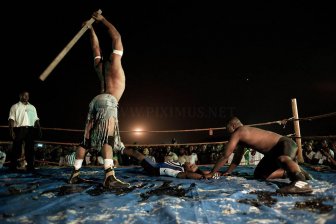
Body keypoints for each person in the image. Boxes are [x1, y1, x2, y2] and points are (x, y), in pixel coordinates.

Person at [68, 11, 129, 188]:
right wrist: (103, 21)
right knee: (107, 140)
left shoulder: (98, 65)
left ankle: (75, 173)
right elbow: (116, 36)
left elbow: (95, 48)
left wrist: (90, 29)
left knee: (86, 141)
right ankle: (109, 176)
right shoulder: (116, 62)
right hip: (108, 101)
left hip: (95, 100)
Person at [204, 116, 313, 194]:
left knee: (282, 158)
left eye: (229, 130)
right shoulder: (242, 135)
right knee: (260, 174)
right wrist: (228, 172)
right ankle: (291, 170)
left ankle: (300, 182)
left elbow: (225, 155)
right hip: (273, 153)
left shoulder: (239, 131)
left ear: (233, 125)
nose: (230, 134)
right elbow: (237, 158)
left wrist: (211, 173)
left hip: (285, 143)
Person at [122, 147, 220, 179]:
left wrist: (202, 177)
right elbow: (203, 172)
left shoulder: (180, 172)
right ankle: (121, 149)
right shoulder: (181, 164)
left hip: (153, 168)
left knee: (136, 154)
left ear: (188, 170)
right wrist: (211, 173)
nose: (189, 162)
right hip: (156, 164)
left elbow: (188, 175)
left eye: (190, 165)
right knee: (136, 154)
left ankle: (120, 149)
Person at [8, 91, 42, 172]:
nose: (26, 97)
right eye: (24, 95)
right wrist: (11, 130)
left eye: (27, 95)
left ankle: (30, 166)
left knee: (30, 149)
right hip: (19, 129)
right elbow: (11, 119)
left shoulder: (32, 107)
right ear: (20, 96)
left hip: (30, 129)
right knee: (16, 148)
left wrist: (39, 129)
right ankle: (13, 167)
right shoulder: (15, 106)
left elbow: (36, 119)